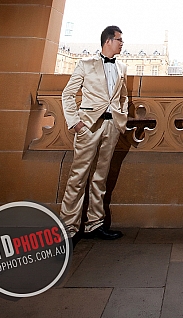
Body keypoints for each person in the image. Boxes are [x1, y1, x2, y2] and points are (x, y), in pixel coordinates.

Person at [60, 25, 128, 245]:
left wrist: (121, 119)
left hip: (111, 126)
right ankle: (68, 229)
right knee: (78, 177)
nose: (122, 43)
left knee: (100, 177)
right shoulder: (85, 64)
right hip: (88, 126)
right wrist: (75, 123)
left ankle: (94, 224)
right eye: (119, 40)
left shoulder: (122, 67)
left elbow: (123, 97)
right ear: (108, 41)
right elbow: (68, 94)